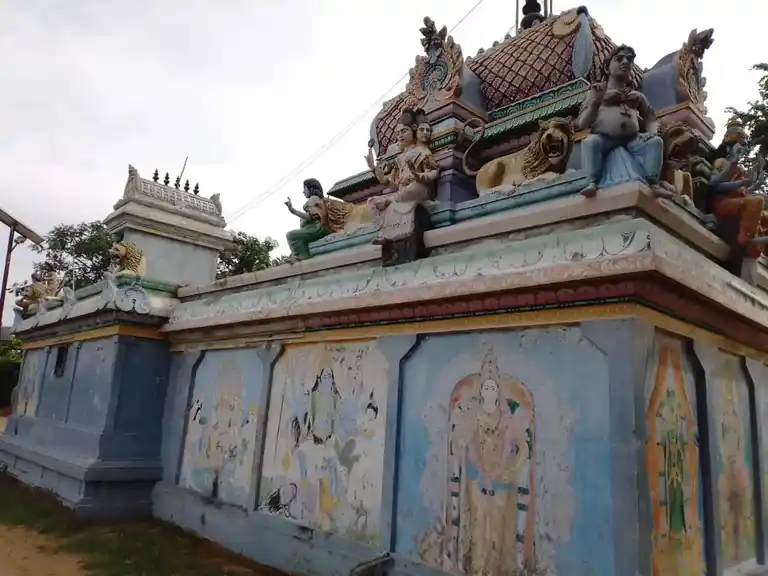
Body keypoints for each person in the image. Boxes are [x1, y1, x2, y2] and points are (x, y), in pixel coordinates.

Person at [576, 45, 665, 197]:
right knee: (591, 142)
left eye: (629, 60)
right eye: (619, 59)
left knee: (656, 142)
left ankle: (654, 183)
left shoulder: (637, 96)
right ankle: (592, 181)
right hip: (605, 139)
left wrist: (651, 133)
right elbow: (582, 123)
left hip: (632, 141)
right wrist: (596, 102)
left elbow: (650, 118)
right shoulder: (597, 91)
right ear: (607, 67)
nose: (625, 62)